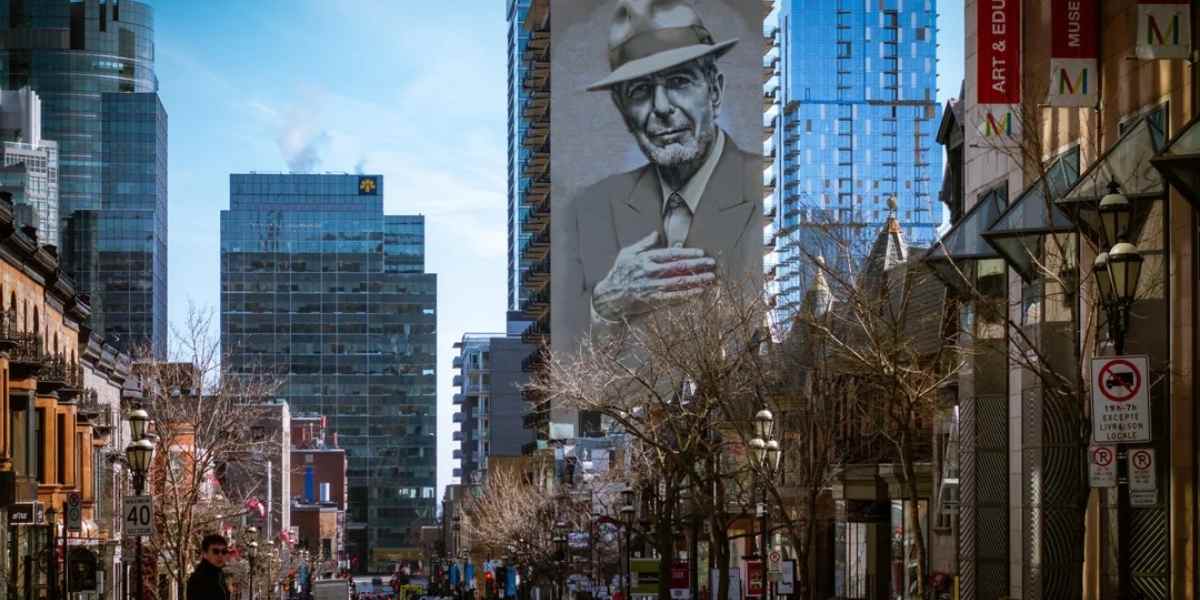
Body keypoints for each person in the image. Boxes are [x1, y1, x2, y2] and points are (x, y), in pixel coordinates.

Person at [562, 0, 760, 336]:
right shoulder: (589, 209)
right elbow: (563, 354)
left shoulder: (769, 190)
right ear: (622, 110)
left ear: (714, 90)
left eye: (680, 82)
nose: (661, 107)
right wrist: (604, 305)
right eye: (640, 91)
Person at [186, 533, 230, 600]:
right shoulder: (199, 579)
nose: (220, 555)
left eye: (224, 552)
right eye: (216, 551)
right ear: (204, 554)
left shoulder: (219, 574)